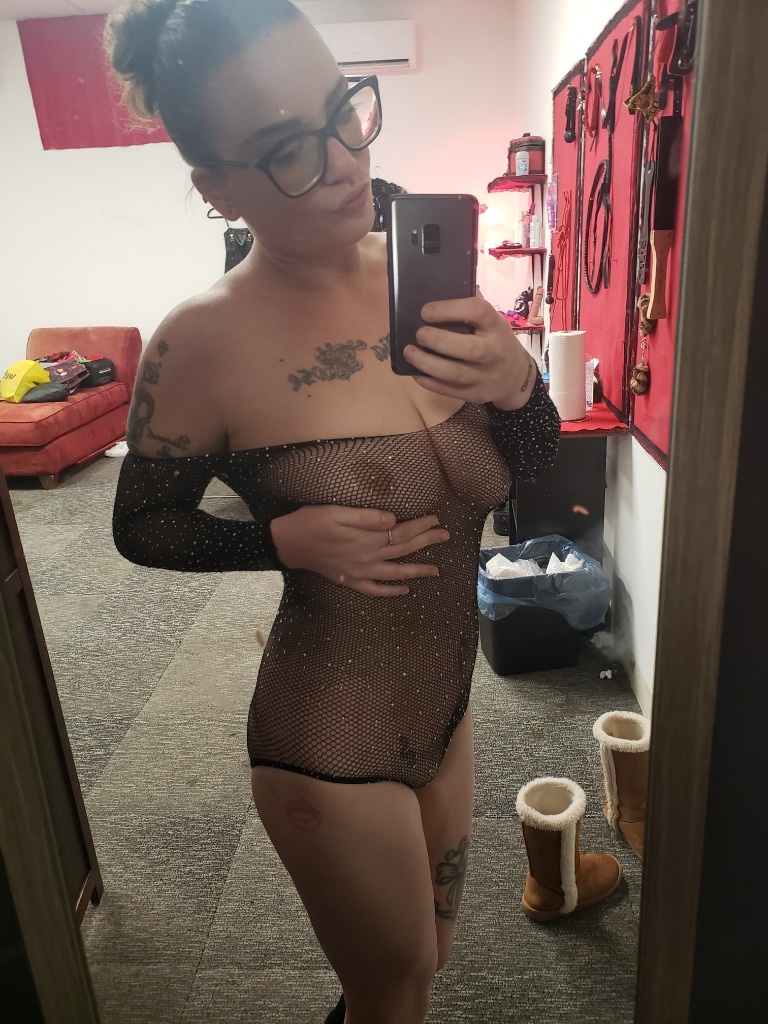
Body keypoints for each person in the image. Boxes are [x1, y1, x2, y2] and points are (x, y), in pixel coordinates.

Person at [106, 2, 560, 1022]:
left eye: (343, 110)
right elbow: (141, 526)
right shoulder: (200, 344)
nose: (346, 162)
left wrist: (519, 383)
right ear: (214, 186)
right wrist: (277, 539)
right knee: (390, 991)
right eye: (286, 150)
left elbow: (522, 468)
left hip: (446, 702)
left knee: (430, 961)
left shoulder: (420, 275)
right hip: (328, 730)